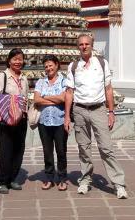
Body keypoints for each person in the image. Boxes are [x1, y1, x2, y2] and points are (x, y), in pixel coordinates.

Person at [64, 34, 128, 199]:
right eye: (81, 44)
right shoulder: (73, 66)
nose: (84, 46)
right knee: (83, 148)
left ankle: (118, 184)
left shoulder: (101, 63)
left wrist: (111, 112)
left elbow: (108, 89)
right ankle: (85, 179)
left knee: (106, 148)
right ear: (78, 47)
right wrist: (67, 116)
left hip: (98, 109)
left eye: (87, 44)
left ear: (92, 45)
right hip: (79, 110)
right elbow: (69, 92)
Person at [0, 48, 28, 194]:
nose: (18, 62)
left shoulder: (23, 78)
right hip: (6, 118)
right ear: (9, 60)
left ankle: (13, 178)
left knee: (19, 149)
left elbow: (25, 96)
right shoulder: (3, 76)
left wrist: (21, 108)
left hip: (21, 118)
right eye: (15, 59)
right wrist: (9, 106)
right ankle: (2, 181)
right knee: (6, 150)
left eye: (20, 59)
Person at [33, 54, 69, 191]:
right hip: (44, 122)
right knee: (47, 151)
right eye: (46, 66)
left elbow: (63, 99)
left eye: (50, 65)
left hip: (60, 121)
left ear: (57, 65)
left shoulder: (64, 81)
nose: (48, 68)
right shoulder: (41, 82)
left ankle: (62, 178)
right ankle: (49, 178)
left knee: (61, 151)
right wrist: (55, 98)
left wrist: (45, 97)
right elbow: (37, 100)